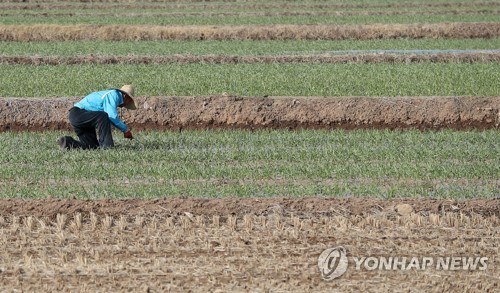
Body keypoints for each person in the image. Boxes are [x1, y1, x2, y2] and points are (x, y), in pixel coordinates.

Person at [57, 85, 137, 150]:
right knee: (103, 116)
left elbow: (105, 121)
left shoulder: (110, 95)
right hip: (79, 114)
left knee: (91, 146)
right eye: (129, 101)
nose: (126, 106)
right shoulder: (114, 95)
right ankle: (107, 147)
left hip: (79, 116)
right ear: (126, 96)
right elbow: (111, 116)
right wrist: (125, 130)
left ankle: (67, 142)